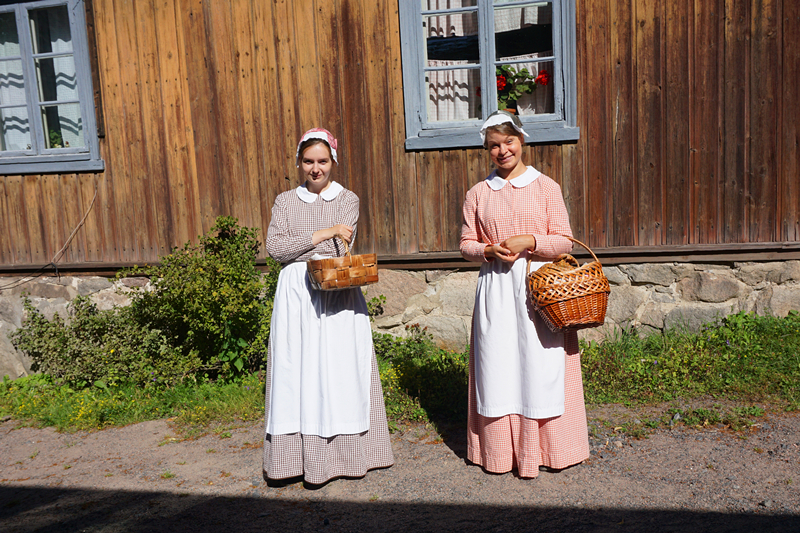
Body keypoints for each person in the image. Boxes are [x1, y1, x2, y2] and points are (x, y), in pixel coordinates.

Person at [459, 111, 590, 478]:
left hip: (541, 289)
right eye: (494, 145)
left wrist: (531, 241)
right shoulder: (478, 193)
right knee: (497, 365)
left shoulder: (546, 186)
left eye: (509, 142)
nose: (503, 151)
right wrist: (486, 251)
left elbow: (564, 240)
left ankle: (549, 449)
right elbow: (466, 243)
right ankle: (501, 453)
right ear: (487, 150)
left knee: (540, 364)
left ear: (522, 141)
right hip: (497, 289)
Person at [263, 128, 394, 485]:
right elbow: (275, 249)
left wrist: (305, 242)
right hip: (295, 293)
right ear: (299, 162)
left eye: (322, 161)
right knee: (297, 368)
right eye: (308, 161)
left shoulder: (347, 199)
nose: (315, 168)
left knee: (339, 367)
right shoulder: (284, 201)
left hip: (336, 289)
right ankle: (294, 460)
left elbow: (341, 247)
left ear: (333, 161)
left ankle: (349, 456)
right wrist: (323, 233)